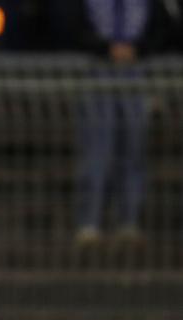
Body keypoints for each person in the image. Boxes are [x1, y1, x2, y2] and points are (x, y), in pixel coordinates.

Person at [75, 0, 166, 242]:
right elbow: (72, 26)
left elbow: (161, 27)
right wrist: (105, 49)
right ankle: (89, 222)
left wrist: (138, 48)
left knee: (134, 148)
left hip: (137, 71)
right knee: (97, 149)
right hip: (97, 71)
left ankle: (129, 221)